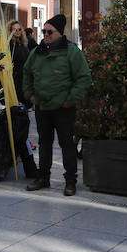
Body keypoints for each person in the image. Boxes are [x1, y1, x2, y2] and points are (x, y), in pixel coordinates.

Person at [23, 14, 92, 196]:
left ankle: (70, 181)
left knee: (67, 145)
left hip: (64, 108)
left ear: (59, 33)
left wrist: (71, 100)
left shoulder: (72, 51)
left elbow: (84, 78)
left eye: (49, 31)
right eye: (44, 31)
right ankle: (43, 177)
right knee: (44, 143)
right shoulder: (36, 52)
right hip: (42, 107)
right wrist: (30, 94)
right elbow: (27, 73)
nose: (45, 34)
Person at [8, 20, 30, 105]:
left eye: (19, 29)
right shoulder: (10, 44)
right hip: (14, 80)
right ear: (10, 31)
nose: (17, 32)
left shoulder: (23, 43)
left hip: (24, 79)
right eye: (14, 29)